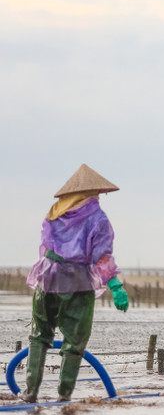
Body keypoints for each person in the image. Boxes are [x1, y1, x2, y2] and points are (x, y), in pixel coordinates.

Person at [21, 164, 130, 402]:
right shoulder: (98, 218)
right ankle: (64, 397)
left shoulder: (55, 212)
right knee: (74, 341)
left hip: (48, 278)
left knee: (39, 336)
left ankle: (30, 393)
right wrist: (115, 286)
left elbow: (47, 247)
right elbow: (102, 257)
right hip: (78, 282)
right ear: (92, 192)